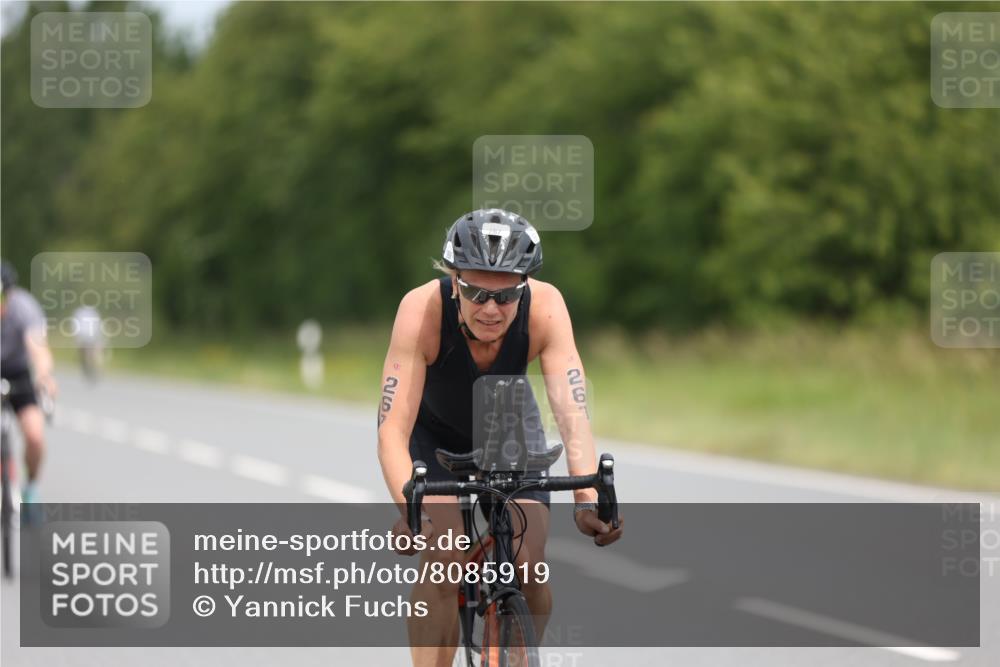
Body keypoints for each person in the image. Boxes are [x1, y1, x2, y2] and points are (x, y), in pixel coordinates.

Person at [376, 209, 623, 666]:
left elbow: (572, 414)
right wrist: (412, 512)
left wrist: (588, 499)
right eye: (475, 292)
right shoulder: (421, 311)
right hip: (433, 435)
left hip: (509, 424)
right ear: (453, 282)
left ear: (525, 287)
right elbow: (392, 429)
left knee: (529, 563)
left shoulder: (547, 307)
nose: (491, 308)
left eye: (506, 295)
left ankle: (516, 654)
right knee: (445, 553)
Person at [0, 260, 57, 509]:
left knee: (34, 435)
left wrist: (44, 377)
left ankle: (31, 486)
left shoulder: (24, 307)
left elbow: (38, 347)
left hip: (18, 373)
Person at [72, 304, 103, 382]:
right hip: (84, 337)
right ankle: (87, 370)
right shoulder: (80, 312)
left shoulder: (93, 312)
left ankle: (94, 371)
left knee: (93, 356)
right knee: (85, 356)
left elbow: (97, 325)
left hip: (91, 337)